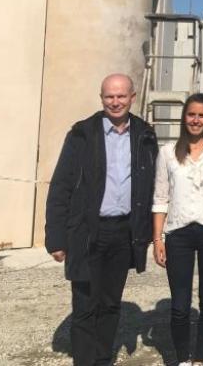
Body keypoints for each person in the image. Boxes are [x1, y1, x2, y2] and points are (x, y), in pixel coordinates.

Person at [45, 73, 159, 366]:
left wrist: (150, 233)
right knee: (84, 304)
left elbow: (152, 186)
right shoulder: (82, 134)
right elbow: (61, 186)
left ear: (133, 97)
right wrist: (56, 238)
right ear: (101, 99)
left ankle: (101, 358)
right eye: (109, 96)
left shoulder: (145, 135)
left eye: (121, 96)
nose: (115, 102)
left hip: (123, 233)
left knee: (110, 304)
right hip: (86, 231)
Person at [151, 93, 203, 366]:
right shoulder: (167, 153)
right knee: (179, 305)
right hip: (178, 234)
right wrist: (158, 238)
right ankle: (181, 359)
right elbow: (160, 198)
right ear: (184, 117)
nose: (196, 120)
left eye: (202, 115)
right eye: (191, 114)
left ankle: (200, 359)